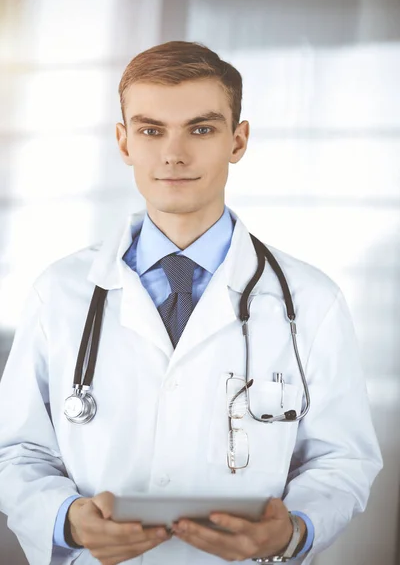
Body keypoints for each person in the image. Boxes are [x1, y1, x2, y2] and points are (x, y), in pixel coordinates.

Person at [0, 40, 382, 565]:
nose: (173, 154)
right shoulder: (61, 292)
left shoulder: (312, 301)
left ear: (239, 140)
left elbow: (343, 459)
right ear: (124, 141)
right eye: (151, 130)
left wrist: (292, 532)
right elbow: (16, 450)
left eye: (201, 129)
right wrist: (67, 518)